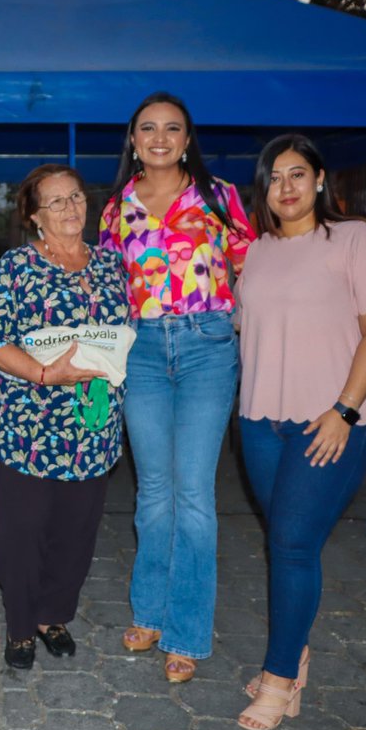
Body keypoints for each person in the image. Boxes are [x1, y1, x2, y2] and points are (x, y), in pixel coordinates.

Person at [235, 135, 366, 730]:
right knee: (285, 541)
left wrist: (345, 410)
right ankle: (296, 652)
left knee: (290, 544)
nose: (285, 186)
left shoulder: (355, 238)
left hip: (332, 421)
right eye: (274, 177)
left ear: (319, 180)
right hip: (260, 422)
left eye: (297, 173)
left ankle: (280, 680)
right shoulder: (255, 252)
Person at [100, 92, 255, 683]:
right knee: (153, 493)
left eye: (173, 128)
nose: (160, 137)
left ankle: (186, 632)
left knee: (193, 495)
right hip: (139, 351)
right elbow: (111, 289)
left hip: (206, 349)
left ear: (188, 139)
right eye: (148, 128)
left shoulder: (219, 197)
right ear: (133, 140)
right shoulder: (116, 207)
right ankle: (149, 612)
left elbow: (251, 268)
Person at [0, 164, 130, 669]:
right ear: (35, 216)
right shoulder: (17, 266)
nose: (71, 208)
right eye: (56, 201)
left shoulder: (111, 265)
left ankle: (53, 613)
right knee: (22, 531)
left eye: (77, 197)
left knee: (76, 530)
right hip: (30, 423)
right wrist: (43, 374)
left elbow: (124, 336)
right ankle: (21, 624)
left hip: (94, 423)